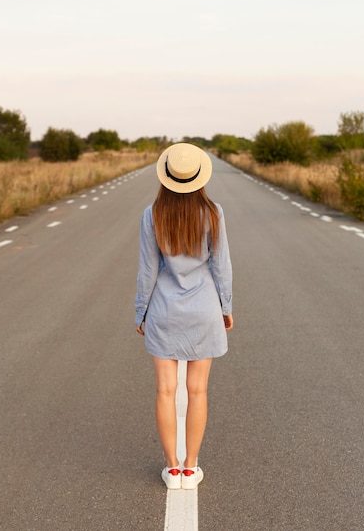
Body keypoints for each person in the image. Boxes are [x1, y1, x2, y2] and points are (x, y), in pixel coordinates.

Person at [135, 142, 233, 490]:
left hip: (163, 310)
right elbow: (221, 267)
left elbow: (148, 270)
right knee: (198, 390)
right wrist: (226, 307)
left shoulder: (153, 214)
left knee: (165, 390)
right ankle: (191, 468)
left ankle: (172, 468)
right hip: (203, 310)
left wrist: (141, 312)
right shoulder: (213, 212)